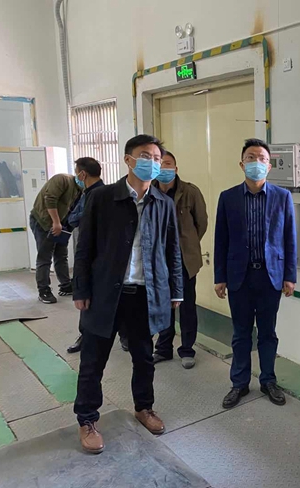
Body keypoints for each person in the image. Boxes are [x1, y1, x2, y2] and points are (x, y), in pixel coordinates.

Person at [72, 135, 183, 454]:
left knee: (144, 358)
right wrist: (81, 288)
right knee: (93, 360)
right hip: (105, 293)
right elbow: (85, 246)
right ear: (128, 160)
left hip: (144, 295)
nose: (153, 162)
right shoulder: (102, 197)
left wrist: (176, 290)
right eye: (145, 155)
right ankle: (87, 419)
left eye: (157, 158)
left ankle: (144, 407)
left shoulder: (163, 203)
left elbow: (172, 250)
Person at [214, 138, 297, 409]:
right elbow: (221, 239)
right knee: (240, 333)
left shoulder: (282, 197)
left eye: (262, 158)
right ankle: (239, 383)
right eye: (251, 157)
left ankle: (268, 380)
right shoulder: (228, 198)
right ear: (242, 164)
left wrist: (290, 275)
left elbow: (289, 238)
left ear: (269, 166)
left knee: (267, 333)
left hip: (270, 276)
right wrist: (220, 276)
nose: (256, 162)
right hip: (239, 276)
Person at [153, 151, 208, 369]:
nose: (164, 168)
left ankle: (187, 349)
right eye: (160, 164)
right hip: (158, 259)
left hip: (185, 260)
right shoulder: (149, 191)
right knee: (163, 305)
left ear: (175, 169)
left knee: (186, 306)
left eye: (168, 164)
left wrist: (188, 245)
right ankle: (163, 348)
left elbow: (201, 223)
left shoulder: (190, 192)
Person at [64, 157, 106, 355]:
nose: (76, 177)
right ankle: (86, 335)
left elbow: (75, 219)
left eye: (76, 173)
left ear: (82, 174)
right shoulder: (88, 193)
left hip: (97, 254)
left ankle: (92, 335)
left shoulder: (99, 195)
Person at [29, 167, 84, 303]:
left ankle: (65, 285)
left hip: (61, 225)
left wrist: (64, 226)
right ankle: (44, 290)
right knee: (45, 256)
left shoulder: (81, 190)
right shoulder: (62, 179)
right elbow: (50, 199)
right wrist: (56, 222)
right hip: (43, 222)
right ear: (82, 174)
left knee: (61, 254)